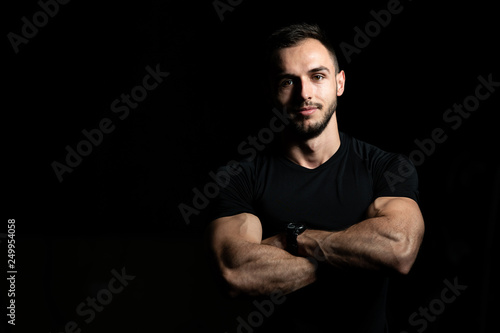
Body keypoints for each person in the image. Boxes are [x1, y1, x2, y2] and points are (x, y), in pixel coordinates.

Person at [207, 23, 425, 333]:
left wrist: (292, 239)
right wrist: (356, 257)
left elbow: (398, 249)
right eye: (287, 81)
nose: (304, 93)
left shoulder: (386, 167)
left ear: (340, 83)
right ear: (270, 92)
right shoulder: (239, 178)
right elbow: (234, 271)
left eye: (317, 76)